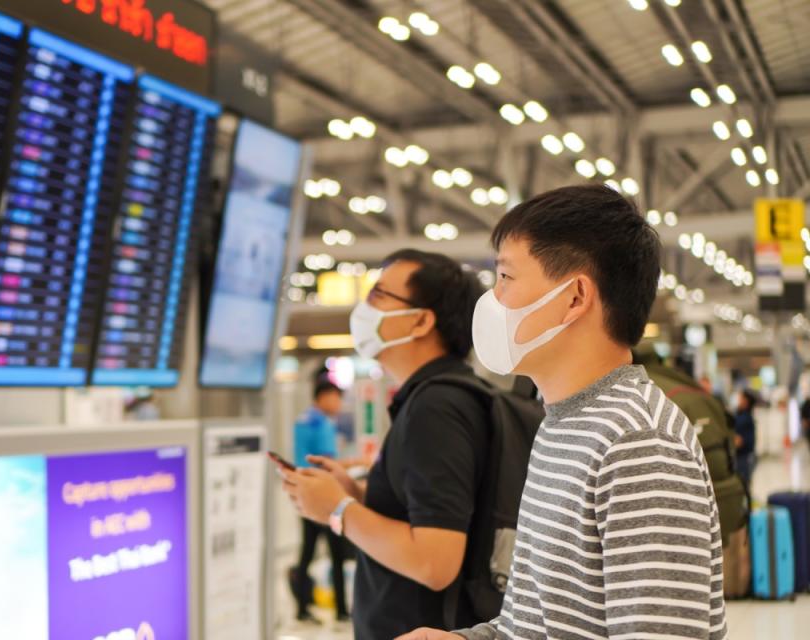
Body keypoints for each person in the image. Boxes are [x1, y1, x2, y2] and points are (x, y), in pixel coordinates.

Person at [400, 184, 727, 640]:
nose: (492, 299)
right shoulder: (565, 423)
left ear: (574, 297)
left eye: (506, 278)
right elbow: (534, 625)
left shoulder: (639, 444)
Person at [280, 249, 489, 639]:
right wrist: (358, 495)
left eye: (378, 296)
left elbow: (435, 561)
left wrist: (338, 510)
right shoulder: (438, 398)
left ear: (422, 320)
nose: (364, 307)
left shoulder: (437, 407)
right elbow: (429, 518)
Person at [287, 378, 349, 625]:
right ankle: (342, 611)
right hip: (324, 499)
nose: (338, 404)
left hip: (304, 494)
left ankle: (302, 608)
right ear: (323, 397)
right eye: (336, 397)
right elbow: (327, 463)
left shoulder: (303, 420)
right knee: (337, 554)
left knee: (307, 553)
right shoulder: (321, 423)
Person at [734, 390, 758, 489]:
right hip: (744, 457)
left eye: (740, 398)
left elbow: (740, 440)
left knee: (743, 486)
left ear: (745, 401)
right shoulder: (742, 416)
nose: (738, 400)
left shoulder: (745, 418)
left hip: (744, 457)